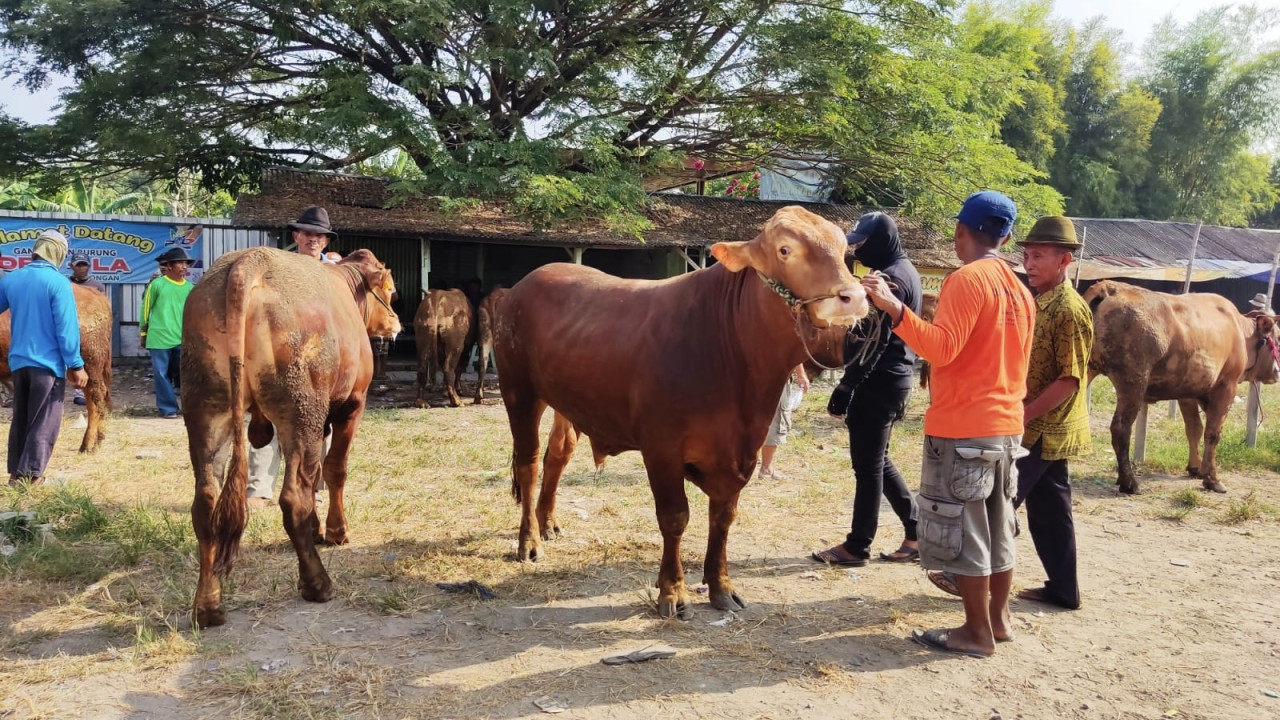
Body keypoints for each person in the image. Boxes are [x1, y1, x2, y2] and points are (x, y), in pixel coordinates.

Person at [861, 190, 1035, 658]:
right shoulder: (1020, 289)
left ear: (961, 232)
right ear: (1007, 236)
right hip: (1007, 425)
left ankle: (975, 633)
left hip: (964, 427)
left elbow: (940, 348)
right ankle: (997, 622)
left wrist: (894, 310)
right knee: (1000, 528)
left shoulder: (967, 279)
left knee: (964, 532)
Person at [812, 212, 922, 567]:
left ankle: (857, 546)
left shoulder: (890, 280)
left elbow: (874, 342)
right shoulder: (906, 270)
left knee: (868, 468)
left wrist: (846, 387)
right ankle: (917, 531)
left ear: (883, 241)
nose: (858, 250)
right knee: (878, 461)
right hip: (895, 379)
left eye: (864, 243)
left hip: (879, 381)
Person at [248, 206, 337, 509]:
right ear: (296, 235)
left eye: (320, 235)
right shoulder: (277, 267)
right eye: (308, 233)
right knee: (268, 416)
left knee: (320, 423)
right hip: (279, 353)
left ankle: (315, 485)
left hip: (320, 358)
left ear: (326, 241)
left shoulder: (334, 273)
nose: (313, 239)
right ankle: (259, 488)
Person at [0, 230, 89, 485]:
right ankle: (33, 476)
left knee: (22, 418)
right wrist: (76, 364)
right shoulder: (58, 282)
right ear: (58, 253)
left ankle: (16, 474)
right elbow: (66, 327)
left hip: (18, 362)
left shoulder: (12, 279)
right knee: (45, 420)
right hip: (47, 365)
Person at [140, 247, 194, 418]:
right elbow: (145, 309)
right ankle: (168, 408)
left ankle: (189, 408)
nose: (184, 266)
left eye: (186, 263)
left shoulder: (191, 288)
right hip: (159, 337)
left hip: (182, 338)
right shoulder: (157, 285)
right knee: (161, 375)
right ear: (168, 266)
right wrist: (143, 333)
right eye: (180, 263)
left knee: (184, 375)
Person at [67, 252, 106, 406]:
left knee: (92, 361)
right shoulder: (65, 285)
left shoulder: (97, 286)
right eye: (78, 265)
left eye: (84, 265)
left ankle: (94, 391)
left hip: (91, 329)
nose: (81, 268)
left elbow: (104, 310)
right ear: (71, 266)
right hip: (69, 326)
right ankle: (77, 391)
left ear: (89, 266)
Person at [758, 364, 809, 480]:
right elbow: (794, 346)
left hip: (745, 373)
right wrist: (801, 375)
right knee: (775, 419)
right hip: (775, 375)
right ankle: (766, 468)